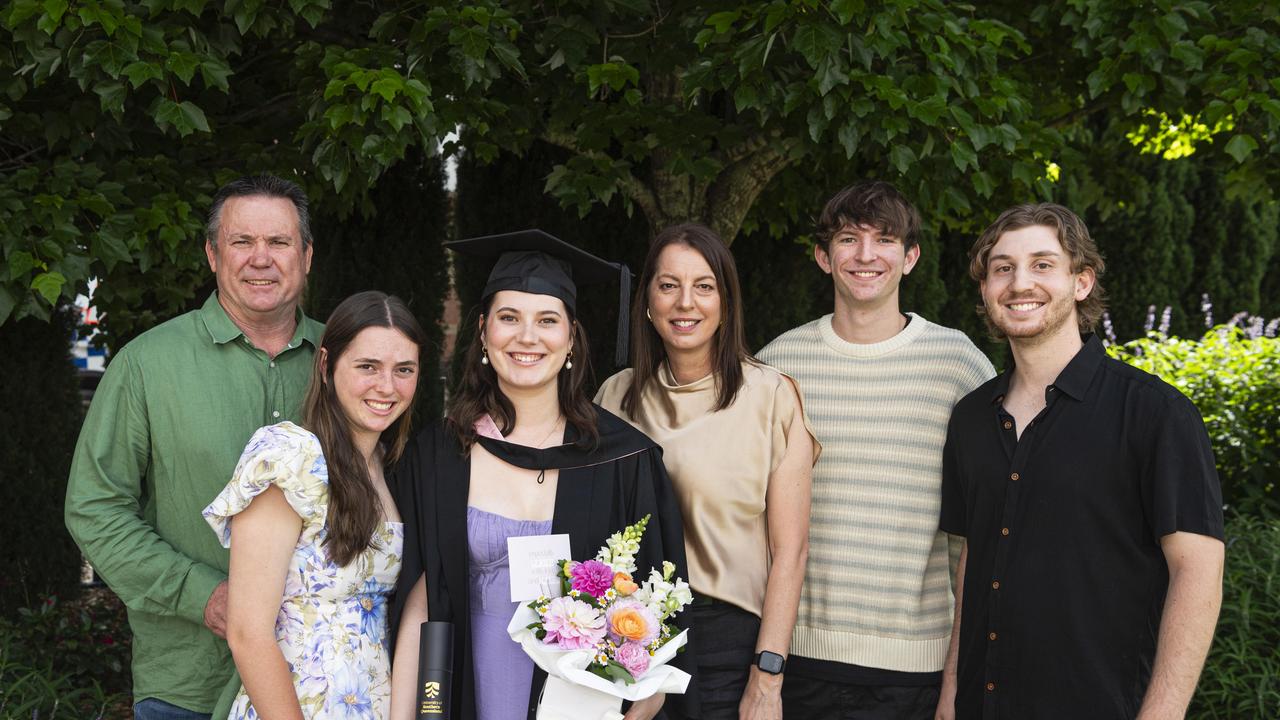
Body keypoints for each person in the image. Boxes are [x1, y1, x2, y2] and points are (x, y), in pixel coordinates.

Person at [388, 230, 693, 720]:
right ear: (484, 330)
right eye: (509, 318)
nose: (527, 337)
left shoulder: (625, 462)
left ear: (571, 337)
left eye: (547, 320)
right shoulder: (441, 454)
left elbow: (662, 620)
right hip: (465, 690)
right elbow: (418, 604)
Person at [937, 203, 1225, 719]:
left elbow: (1198, 572)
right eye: (1002, 268)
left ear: (1082, 282)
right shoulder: (970, 419)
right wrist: (951, 695)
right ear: (985, 289)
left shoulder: (1156, 414)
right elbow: (973, 564)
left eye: (1043, 264)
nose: (1020, 283)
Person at [65, 174, 323, 720]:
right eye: (241, 241)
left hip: (324, 679)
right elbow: (95, 507)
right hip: (190, 684)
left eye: (278, 242)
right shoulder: (147, 364)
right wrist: (202, 595)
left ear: (305, 256)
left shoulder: (349, 364)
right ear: (211, 254)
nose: (261, 259)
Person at [756, 181, 995, 718]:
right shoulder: (778, 364)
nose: (866, 255)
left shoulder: (958, 365)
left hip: (918, 666)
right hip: (796, 660)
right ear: (823, 256)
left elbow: (988, 517)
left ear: (910, 258)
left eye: (885, 239)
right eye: (848, 239)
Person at [595, 222, 818, 720]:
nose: (685, 303)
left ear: (726, 302)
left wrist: (768, 675)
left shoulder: (771, 397)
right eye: (668, 285)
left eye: (704, 286)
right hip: (630, 644)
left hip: (728, 650)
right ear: (648, 302)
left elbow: (791, 552)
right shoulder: (614, 399)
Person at [202, 291, 424, 718]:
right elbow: (248, 633)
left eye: (404, 370)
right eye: (367, 367)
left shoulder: (393, 467)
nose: (387, 386)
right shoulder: (290, 457)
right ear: (326, 365)